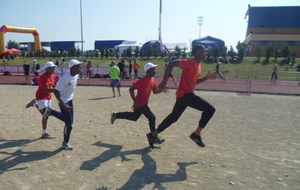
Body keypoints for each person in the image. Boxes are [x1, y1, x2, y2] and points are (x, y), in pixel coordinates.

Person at [146, 44, 217, 148]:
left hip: (183, 95)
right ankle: (196, 134)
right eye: (204, 51)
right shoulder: (190, 62)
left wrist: (206, 78)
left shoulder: (199, 66)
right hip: (186, 95)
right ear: (197, 52)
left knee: (173, 117)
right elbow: (171, 64)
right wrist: (164, 81)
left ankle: (153, 135)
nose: (206, 53)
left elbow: (194, 82)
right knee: (210, 109)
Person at [110, 62, 165, 144]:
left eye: (155, 69)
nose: (155, 71)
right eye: (153, 69)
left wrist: (161, 90)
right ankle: (153, 136)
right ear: (148, 71)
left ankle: (116, 115)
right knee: (152, 117)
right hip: (140, 103)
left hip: (143, 103)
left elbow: (155, 91)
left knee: (134, 117)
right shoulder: (142, 81)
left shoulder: (153, 80)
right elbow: (131, 89)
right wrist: (135, 102)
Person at [43, 59, 82, 150]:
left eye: (80, 66)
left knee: (69, 121)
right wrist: (64, 105)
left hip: (70, 99)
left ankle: (51, 111)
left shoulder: (76, 74)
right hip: (63, 101)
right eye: (78, 67)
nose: (80, 68)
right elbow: (56, 92)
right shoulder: (64, 79)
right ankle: (65, 143)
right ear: (72, 68)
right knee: (69, 124)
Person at [27, 61, 58, 139]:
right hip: (41, 96)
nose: (53, 69)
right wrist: (56, 90)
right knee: (46, 115)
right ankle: (44, 133)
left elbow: (53, 85)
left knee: (46, 115)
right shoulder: (43, 78)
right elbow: (47, 90)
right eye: (52, 68)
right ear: (47, 69)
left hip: (48, 97)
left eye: (54, 67)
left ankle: (35, 104)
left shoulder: (53, 76)